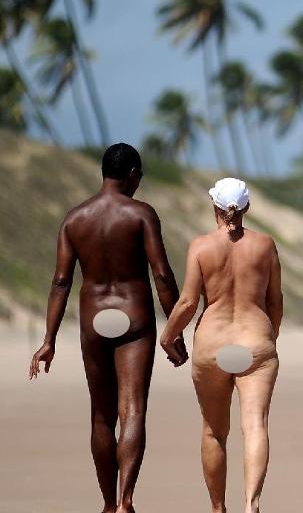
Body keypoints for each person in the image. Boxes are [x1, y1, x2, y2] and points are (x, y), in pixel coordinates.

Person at [28, 142, 187, 513]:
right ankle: (127, 501)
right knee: (132, 410)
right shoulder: (141, 214)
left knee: (101, 415)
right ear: (132, 174)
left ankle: (106, 503)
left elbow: (60, 283)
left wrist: (48, 340)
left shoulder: (74, 219)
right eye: (140, 177)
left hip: (94, 321)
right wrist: (175, 329)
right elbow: (161, 274)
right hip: (134, 318)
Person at [160, 177, 283, 513]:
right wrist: (269, 339)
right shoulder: (265, 245)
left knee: (214, 431)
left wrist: (168, 336)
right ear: (247, 208)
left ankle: (218, 509)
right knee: (255, 424)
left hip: (212, 348)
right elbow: (275, 303)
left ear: (214, 206)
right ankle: (251, 504)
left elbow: (187, 303)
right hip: (254, 346)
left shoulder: (200, 246)